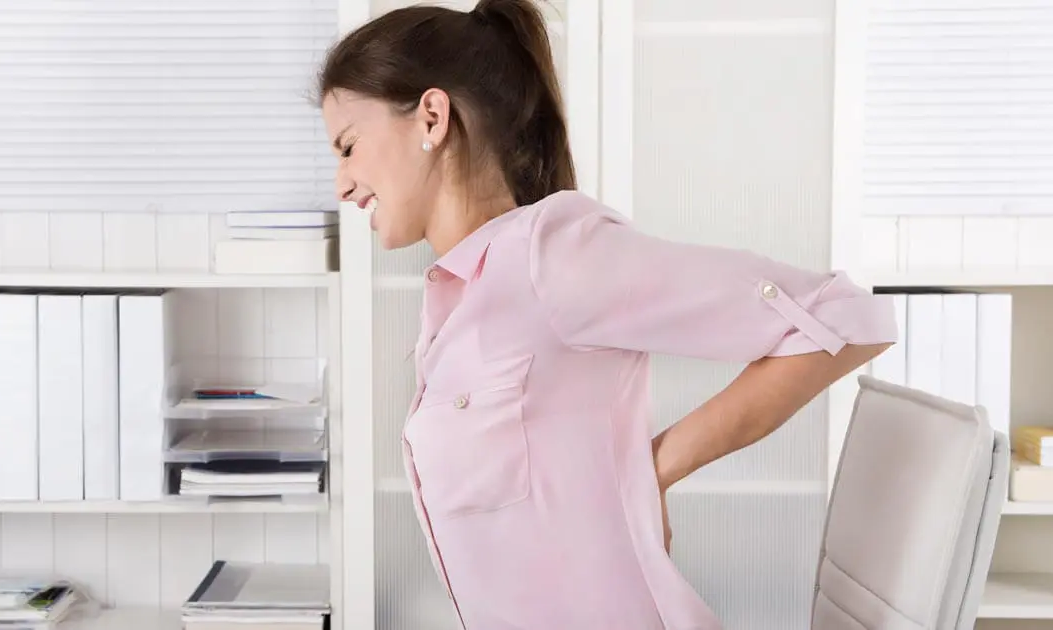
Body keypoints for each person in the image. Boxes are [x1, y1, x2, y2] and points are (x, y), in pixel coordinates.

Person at [317, 0, 897, 628]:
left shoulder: (553, 257)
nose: (342, 183)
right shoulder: (459, 294)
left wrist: (652, 471)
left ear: (432, 116)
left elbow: (843, 318)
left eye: (348, 147)